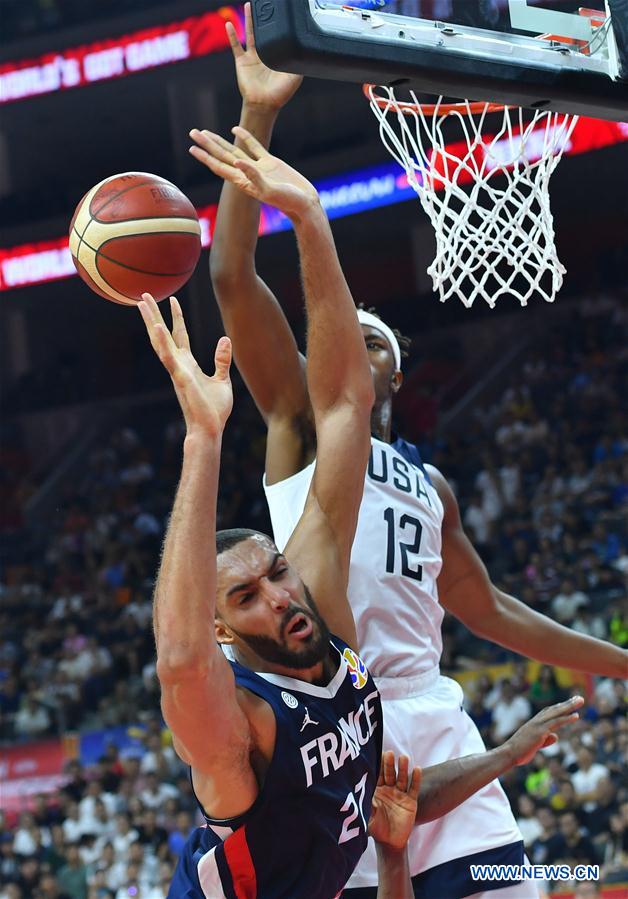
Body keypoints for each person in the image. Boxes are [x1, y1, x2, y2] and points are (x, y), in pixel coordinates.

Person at [193, 6, 628, 897]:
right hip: (333, 730)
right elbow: (233, 274)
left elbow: (492, 610)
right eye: (335, 330)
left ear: (390, 368)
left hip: (430, 715)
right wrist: (261, 116)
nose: (347, 340)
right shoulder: (299, 423)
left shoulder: (430, 485)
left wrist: (620, 660)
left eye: (368, 335)